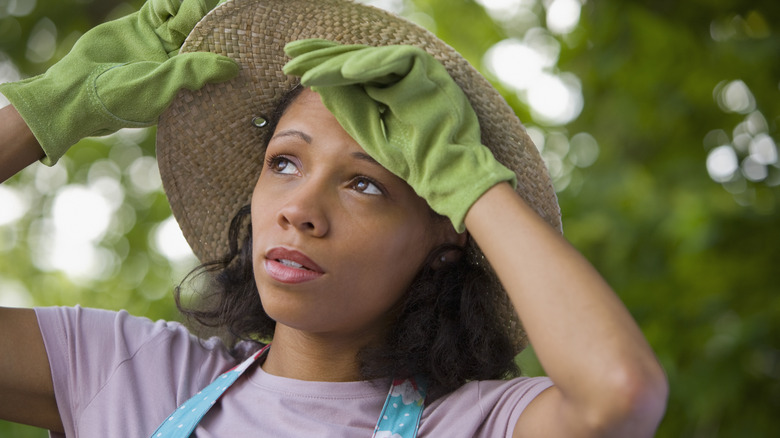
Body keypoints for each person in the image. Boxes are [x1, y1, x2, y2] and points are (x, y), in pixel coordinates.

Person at [0, 0, 669, 437]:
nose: (300, 211)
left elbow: (620, 393)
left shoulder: (476, 423)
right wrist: (44, 115)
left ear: (445, 238)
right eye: (285, 164)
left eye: (364, 184)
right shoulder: (128, 375)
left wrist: (470, 185)